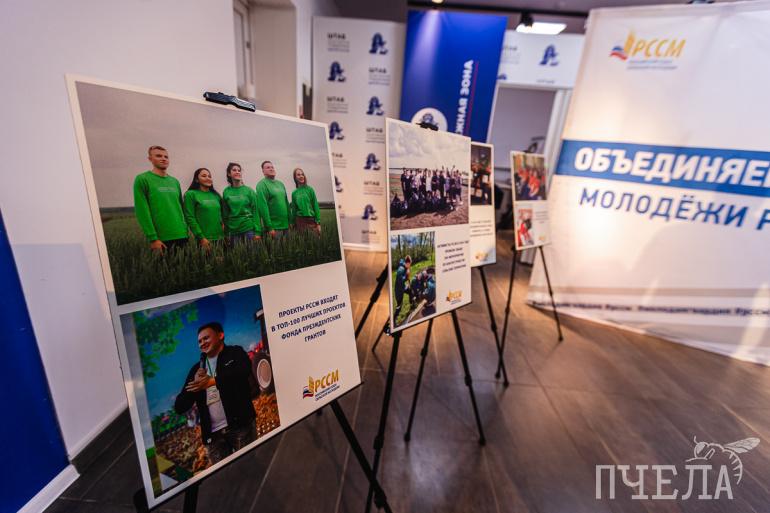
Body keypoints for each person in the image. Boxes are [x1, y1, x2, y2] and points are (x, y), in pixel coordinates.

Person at [174, 322, 257, 465]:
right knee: (225, 476)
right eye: (199, 341)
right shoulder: (196, 370)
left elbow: (243, 371)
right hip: (213, 438)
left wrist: (212, 381)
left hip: (241, 427)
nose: (202, 343)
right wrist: (194, 386)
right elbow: (180, 407)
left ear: (220, 335)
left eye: (206, 338)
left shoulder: (235, 353)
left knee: (250, 467)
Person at [133, 146, 189, 253]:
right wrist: (153, 238)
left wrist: (185, 229)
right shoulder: (142, 179)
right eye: (158, 156)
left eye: (166, 157)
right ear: (150, 159)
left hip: (182, 234)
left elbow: (180, 207)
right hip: (161, 238)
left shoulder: (174, 181)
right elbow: (142, 211)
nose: (163, 159)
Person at [184, 168, 224, 251]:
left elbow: (221, 216)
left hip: (220, 238)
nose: (208, 178)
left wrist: (224, 233)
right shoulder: (191, 194)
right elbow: (190, 217)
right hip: (204, 239)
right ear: (196, 179)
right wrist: (201, 237)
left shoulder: (216, 195)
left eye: (209, 176)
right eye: (204, 176)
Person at [222, 163, 262, 245]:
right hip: (233, 232)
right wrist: (226, 233)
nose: (237, 172)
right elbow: (225, 214)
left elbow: (255, 212)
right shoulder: (226, 192)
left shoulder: (249, 191)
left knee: (251, 253)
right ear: (229, 174)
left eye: (239, 170)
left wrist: (258, 232)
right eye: (234, 170)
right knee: (236, 253)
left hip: (248, 230)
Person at [255, 161, 291, 239]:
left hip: (286, 226)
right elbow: (263, 207)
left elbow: (286, 203)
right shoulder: (261, 185)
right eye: (268, 167)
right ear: (263, 171)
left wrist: (290, 221)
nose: (271, 169)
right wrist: (269, 227)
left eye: (272, 167)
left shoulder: (280, 184)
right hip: (274, 228)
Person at [290, 168, 321, 234]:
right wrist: (292, 223)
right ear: (295, 178)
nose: (301, 176)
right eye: (298, 175)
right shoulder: (294, 193)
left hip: (311, 220)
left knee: (314, 239)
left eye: (302, 174)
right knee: (302, 240)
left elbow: (315, 206)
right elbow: (294, 210)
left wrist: (318, 223)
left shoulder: (310, 190)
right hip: (300, 221)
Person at [393, 255, 411, 321]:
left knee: (410, 291)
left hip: (403, 287)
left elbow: (406, 278)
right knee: (399, 306)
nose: (410, 266)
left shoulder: (405, 267)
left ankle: (412, 303)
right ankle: (394, 319)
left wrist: (408, 284)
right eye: (410, 264)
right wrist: (407, 275)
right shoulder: (401, 269)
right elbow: (401, 280)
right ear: (407, 263)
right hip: (399, 291)